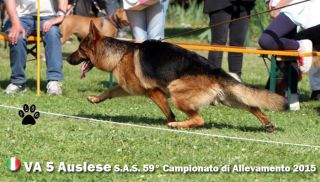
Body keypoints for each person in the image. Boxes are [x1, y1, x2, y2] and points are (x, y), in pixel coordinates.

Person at [259, 0, 320, 110]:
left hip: (311, 8)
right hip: (293, 8)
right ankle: (287, 98)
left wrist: (279, 5)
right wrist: (272, 2)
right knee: (272, 43)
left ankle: (292, 99)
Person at [3, 0, 67, 95]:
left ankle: (54, 82)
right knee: (17, 37)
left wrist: (60, 16)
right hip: (19, 16)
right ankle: (18, 82)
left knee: (53, 33)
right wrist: (15, 23)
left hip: (48, 16)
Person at [203, 0, 256, 79]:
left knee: (238, 44)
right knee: (218, 43)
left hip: (244, 4)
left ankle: (236, 80)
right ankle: (213, 79)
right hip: (220, 3)